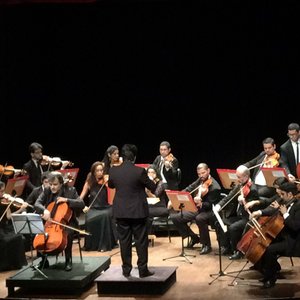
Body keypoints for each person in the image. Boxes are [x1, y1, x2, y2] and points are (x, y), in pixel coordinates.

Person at [107, 144, 156, 278]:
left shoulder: (113, 171)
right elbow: (152, 186)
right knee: (141, 241)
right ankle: (142, 270)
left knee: (124, 241)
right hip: (138, 212)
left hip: (121, 212)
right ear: (134, 157)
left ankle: (126, 270)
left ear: (122, 156)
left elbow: (111, 185)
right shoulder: (140, 171)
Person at [252, 182, 300, 288]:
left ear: (290, 194)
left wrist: (285, 213)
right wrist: (279, 210)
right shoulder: (287, 203)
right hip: (283, 236)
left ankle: (271, 279)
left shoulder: (298, 206)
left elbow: (295, 226)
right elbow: (276, 215)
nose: (281, 197)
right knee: (262, 245)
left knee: (269, 249)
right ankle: (268, 273)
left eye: (283, 194)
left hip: (293, 241)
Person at [34, 171, 85, 271]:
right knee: (39, 231)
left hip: (68, 222)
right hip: (51, 221)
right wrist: (44, 210)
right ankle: (43, 260)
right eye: (50, 184)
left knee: (68, 233)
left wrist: (67, 200)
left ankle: (68, 259)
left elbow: (81, 203)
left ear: (61, 184)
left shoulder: (70, 190)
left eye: (55, 184)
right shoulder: (47, 191)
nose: (52, 187)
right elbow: (37, 203)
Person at [170, 163, 221, 254]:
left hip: (209, 211)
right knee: (176, 218)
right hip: (197, 209)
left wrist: (201, 204)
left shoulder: (215, 187)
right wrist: (176, 196)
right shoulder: (200, 180)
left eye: (203, 173)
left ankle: (206, 245)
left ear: (208, 171)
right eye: (199, 174)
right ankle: (194, 238)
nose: (201, 176)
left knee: (199, 218)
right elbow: (189, 188)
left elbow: (210, 204)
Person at [215, 165, 259, 259]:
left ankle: (238, 251)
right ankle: (226, 247)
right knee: (219, 223)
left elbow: (251, 208)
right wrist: (219, 205)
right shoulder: (239, 185)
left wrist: (243, 201)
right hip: (239, 215)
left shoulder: (253, 189)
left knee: (233, 228)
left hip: (247, 217)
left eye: (239, 177)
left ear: (246, 176)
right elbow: (229, 197)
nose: (237, 179)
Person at [80, 161, 118, 252]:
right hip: (93, 208)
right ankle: (91, 245)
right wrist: (82, 206)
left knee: (105, 216)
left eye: (102, 170)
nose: (100, 172)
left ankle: (104, 245)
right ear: (93, 172)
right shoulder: (89, 181)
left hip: (106, 207)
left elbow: (113, 193)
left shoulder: (106, 180)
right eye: (98, 171)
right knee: (88, 218)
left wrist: (109, 183)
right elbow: (81, 197)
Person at [0, 181, 28, 271]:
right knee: (5, 240)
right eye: (1, 191)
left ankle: (17, 264)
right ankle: (4, 265)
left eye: (3, 191)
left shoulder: (5, 201)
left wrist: (21, 209)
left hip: (4, 227)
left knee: (18, 236)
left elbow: (8, 216)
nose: (3, 193)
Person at [145, 165, 169, 235]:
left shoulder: (161, 184)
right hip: (149, 206)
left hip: (160, 207)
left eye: (152, 172)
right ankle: (145, 236)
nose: (150, 174)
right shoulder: (146, 183)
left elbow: (155, 197)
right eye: (148, 172)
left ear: (156, 173)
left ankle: (146, 236)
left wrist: (147, 192)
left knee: (145, 213)